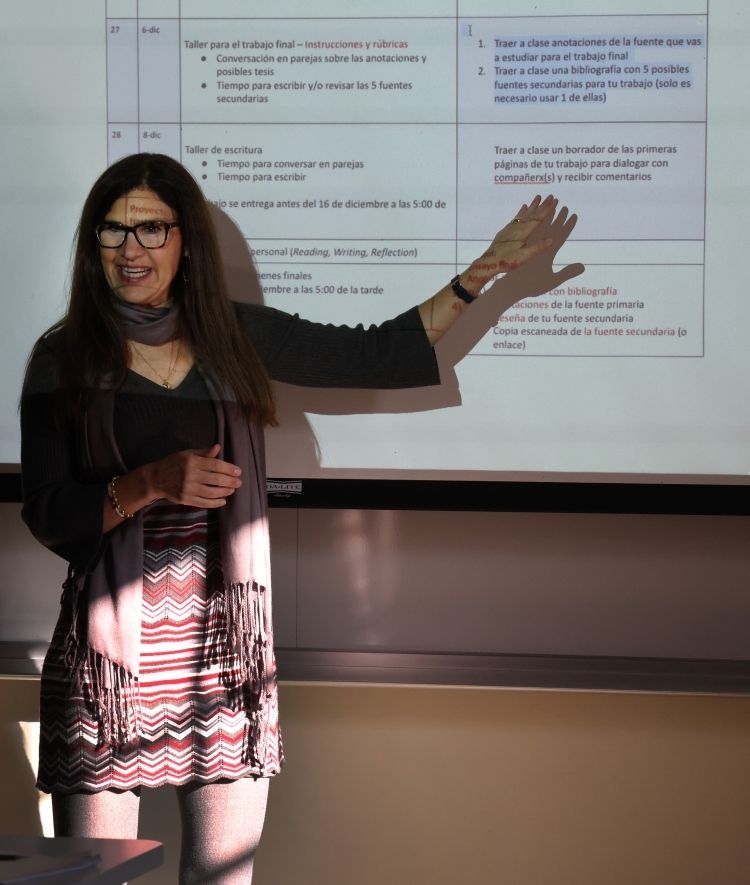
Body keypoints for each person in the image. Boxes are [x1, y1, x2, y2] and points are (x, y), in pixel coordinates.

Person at [20, 152, 561, 884]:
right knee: (92, 879)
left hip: (225, 659)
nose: (131, 250)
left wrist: (480, 274)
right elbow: (49, 512)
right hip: (110, 666)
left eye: (151, 229)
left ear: (186, 240)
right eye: (111, 232)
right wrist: (146, 482)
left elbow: (370, 351)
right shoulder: (61, 357)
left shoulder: (233, 335)